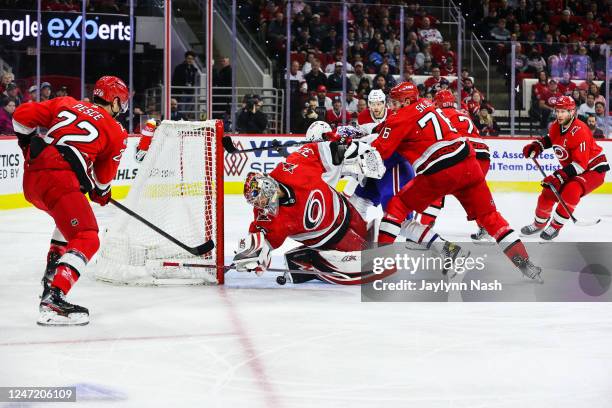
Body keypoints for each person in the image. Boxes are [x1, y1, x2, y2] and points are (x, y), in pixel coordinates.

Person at [371, 82, 542, 281]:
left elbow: (378, 151)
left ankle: (382, 264)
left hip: (440, 170)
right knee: (491, 218)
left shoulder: (400, 117)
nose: (391, 106)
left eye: (394, 102)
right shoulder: (427, 104)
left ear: (407, 100)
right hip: (470, 164)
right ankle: (525, 264)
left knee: (397, 206)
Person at [12, 76, 130, 325]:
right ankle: (55, 298)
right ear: (116, 101)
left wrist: (25, 144)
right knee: (87, 236)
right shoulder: (116, 131)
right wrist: (102, 193)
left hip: (33, 178)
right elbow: (102, 180)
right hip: (60, 182)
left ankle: (49, 283)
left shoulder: (67, 103)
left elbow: (21, 115)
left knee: (66, 226)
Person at [233, 139, 387, 284]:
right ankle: (309, 261)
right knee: (368, 258)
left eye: (261, 199)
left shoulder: (293, 166)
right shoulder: (266, 217)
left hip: (347, 210)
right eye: (257, 203)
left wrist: (351, 149)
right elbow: (260, 240)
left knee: (371, 238)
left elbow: (322, 151)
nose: (261, 206)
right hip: (331, 240)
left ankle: (304, 260)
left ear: (268, 186)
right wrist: (253, 256)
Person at [521, 96, 609, 240]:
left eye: (564, 111)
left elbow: (581, 165)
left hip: (594, 169)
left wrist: (559, 176)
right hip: (576, 167)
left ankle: (555, 226)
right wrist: (538, 146)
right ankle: (539, 224)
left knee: (572, 189)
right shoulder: (556, 125)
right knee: (548, 191)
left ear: (572, 112)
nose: (559, 114)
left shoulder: (580, 130)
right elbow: (552, 138)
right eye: (558, 111)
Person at [419, 89, 493, 243]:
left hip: (463, 154)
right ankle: (487, 227)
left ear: (437, 102)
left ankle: (424, 229)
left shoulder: (438, 115)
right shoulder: (463, 114)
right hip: (483, 156)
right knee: (475, 194)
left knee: (435, 187)